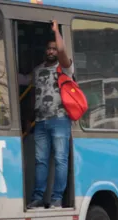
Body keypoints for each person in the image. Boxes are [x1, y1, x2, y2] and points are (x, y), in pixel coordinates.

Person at [18, 20, 74, 209]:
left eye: (53, 49)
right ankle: (38, 198)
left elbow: (63, 51)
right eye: (48, 49)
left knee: (60, 159)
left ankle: (57, 198)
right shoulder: (38, 69)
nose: (51, 51)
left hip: (60, 120)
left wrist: (56, 31)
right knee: (40, 161)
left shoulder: (65, 67)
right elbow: (26, 84)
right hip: (41, 122)